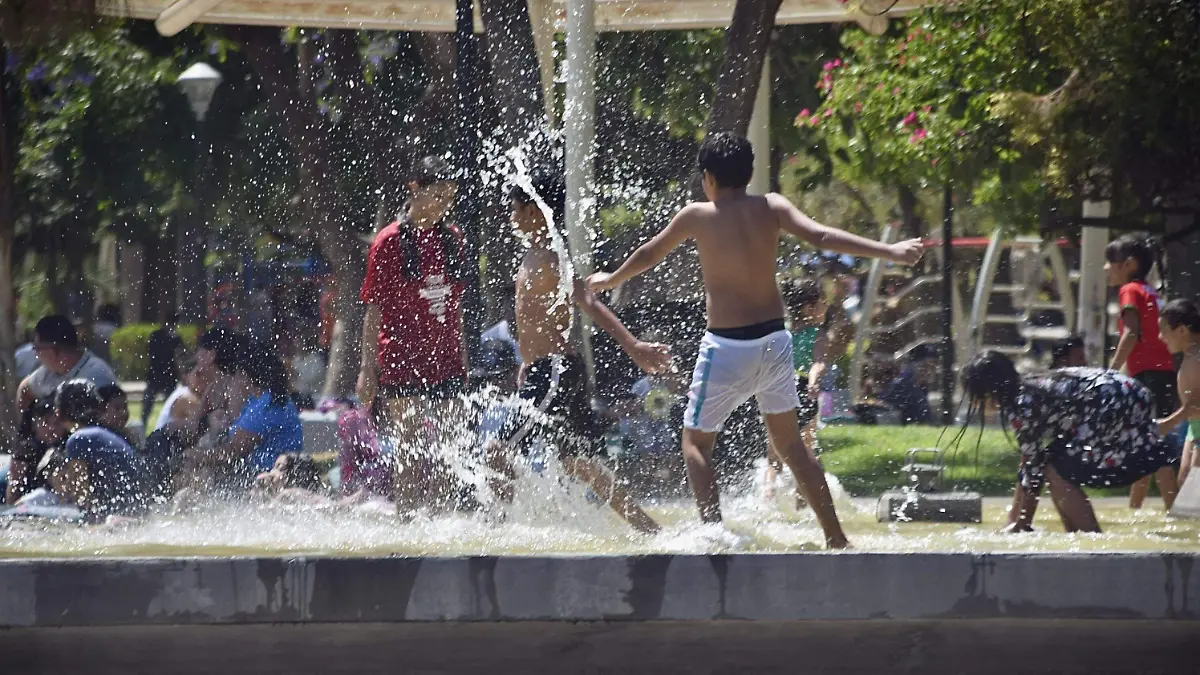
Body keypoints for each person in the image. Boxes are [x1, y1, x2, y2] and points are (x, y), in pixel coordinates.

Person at [587, 132, 923, 548]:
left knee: (694, 442)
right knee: (791, 447)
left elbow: (649, 253)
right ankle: (837, 538)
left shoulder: (697, 215)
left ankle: (714, 534)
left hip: (726, 345)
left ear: (708, 177)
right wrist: (890, 252)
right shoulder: (773, 206)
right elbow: (821, 236)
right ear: (748, 173)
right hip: (773, 342)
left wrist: (611, 278)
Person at [490, 163, 671, 534]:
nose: (510, 217)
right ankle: (650, 530)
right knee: (579, 464)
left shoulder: (552, 260)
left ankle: (494, 532)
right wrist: (529, 360)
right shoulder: (534, 256)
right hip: (551, 368)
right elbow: (541, 318)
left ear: (534, 211)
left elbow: (589, 302)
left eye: (514, 208)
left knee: (497, 449)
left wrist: (633, 345)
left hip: (555, 370)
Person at [963, 351, 1179, 533]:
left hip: (1113, 404)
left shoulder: (1021, 404)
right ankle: (1075, 535)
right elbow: (1029, 461)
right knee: (1052, 463)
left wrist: (1021, 524)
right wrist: (1015, 519)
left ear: (988, 391)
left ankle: (1091, 540)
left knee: (1054, 468)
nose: (973, 402)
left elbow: (1034, 469)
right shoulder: (1031, 386)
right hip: (1131, 392)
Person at [357, 156, 467, 507]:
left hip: (446, 360)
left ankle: (442, 518)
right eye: (438, 195)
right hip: (400, 360)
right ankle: (407, 519)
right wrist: (367, 368)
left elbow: (455, 306)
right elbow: (373, 310)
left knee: (452, 445)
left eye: (449, 198)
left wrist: (462, 355)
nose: (443, 205)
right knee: (409, 445)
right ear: (414, 190)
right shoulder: (388, 242)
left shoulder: (453, 239)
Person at [9, 315, 118, 504]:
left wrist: (58, 428)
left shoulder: (95, 374)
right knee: (22, 454)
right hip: (51, 446)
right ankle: (11, 505)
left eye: (37, 349)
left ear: (51, 351)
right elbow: (25, 389)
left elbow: (106, 421)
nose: (36, 354)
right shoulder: (49, 371)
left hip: (81, 451)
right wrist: (35, 428)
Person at [1104, 234, 1179, 509]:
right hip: (1164, 372)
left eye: (1110, 262)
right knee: (1145, 441)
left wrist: (1110, 372)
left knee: (1150, 442)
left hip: (1148, 375)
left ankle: (1174, 510)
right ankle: (1134, 509)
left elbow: (1132, 334)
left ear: (1129, 264)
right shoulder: (1149, 290)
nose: (1105, 268)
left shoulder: (1129, 290)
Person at [179, 349, 303, 492]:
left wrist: (197, 455)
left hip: (266, 476)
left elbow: (235, 450)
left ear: (245, 376)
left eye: (236, 376)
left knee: (195, 465)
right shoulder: (259, 401)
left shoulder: (267, 406)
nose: (233, 382)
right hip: (255, 472)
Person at [49, 379, 147, 521]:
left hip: (117, 516)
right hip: (137, 511)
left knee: (20, 513)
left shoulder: (78, 440)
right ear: (99, 407)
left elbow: (82, 499)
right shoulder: (110, 434)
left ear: (58, 414)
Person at [1158, 299, 1200, 486]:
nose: (1160, 337)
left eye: (1164, 331)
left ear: (1182, 330)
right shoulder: (1191, 356)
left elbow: (1197, 402)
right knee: (1185, 484)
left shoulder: (1196, 358)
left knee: (1193, 494)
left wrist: (1169, 423)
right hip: (1194, 428)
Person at [143, 314, 185, 429]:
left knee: (147, 407)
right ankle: (166, 427)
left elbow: (148, 353)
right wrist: (182, 376)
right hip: (168, 375)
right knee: (169, 406)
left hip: (155, 374)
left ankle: (144, 427)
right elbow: (179, 358)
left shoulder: (155, 335)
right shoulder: (175, 338)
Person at [153, 357, 208, 434]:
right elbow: (205, 421)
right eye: (198, 374)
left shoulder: (185, 391)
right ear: (186, 376)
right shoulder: (185, 397)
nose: (204, 377)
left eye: (206, 373)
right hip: (163, 443)